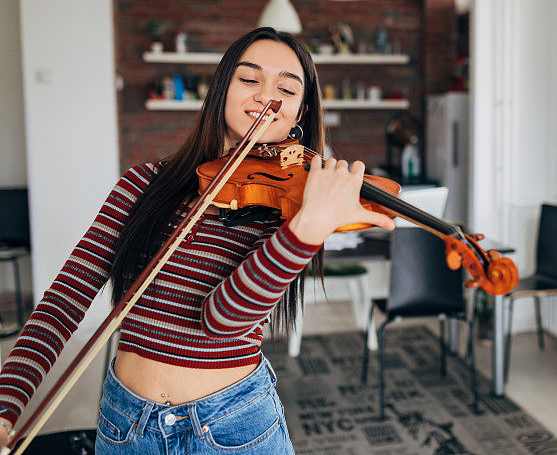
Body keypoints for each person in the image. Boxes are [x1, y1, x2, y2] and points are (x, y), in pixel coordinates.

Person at [0, 27, 395, 453]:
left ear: (298, 114)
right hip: (126, 424)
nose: (268, 96)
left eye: (287, 88)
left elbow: (222, 320)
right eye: (249, 79)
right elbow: (65, 299)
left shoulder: (291, 210)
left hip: (233, 426)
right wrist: (5, 406)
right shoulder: (141, 185)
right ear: (222, 88)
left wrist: (308, 229)